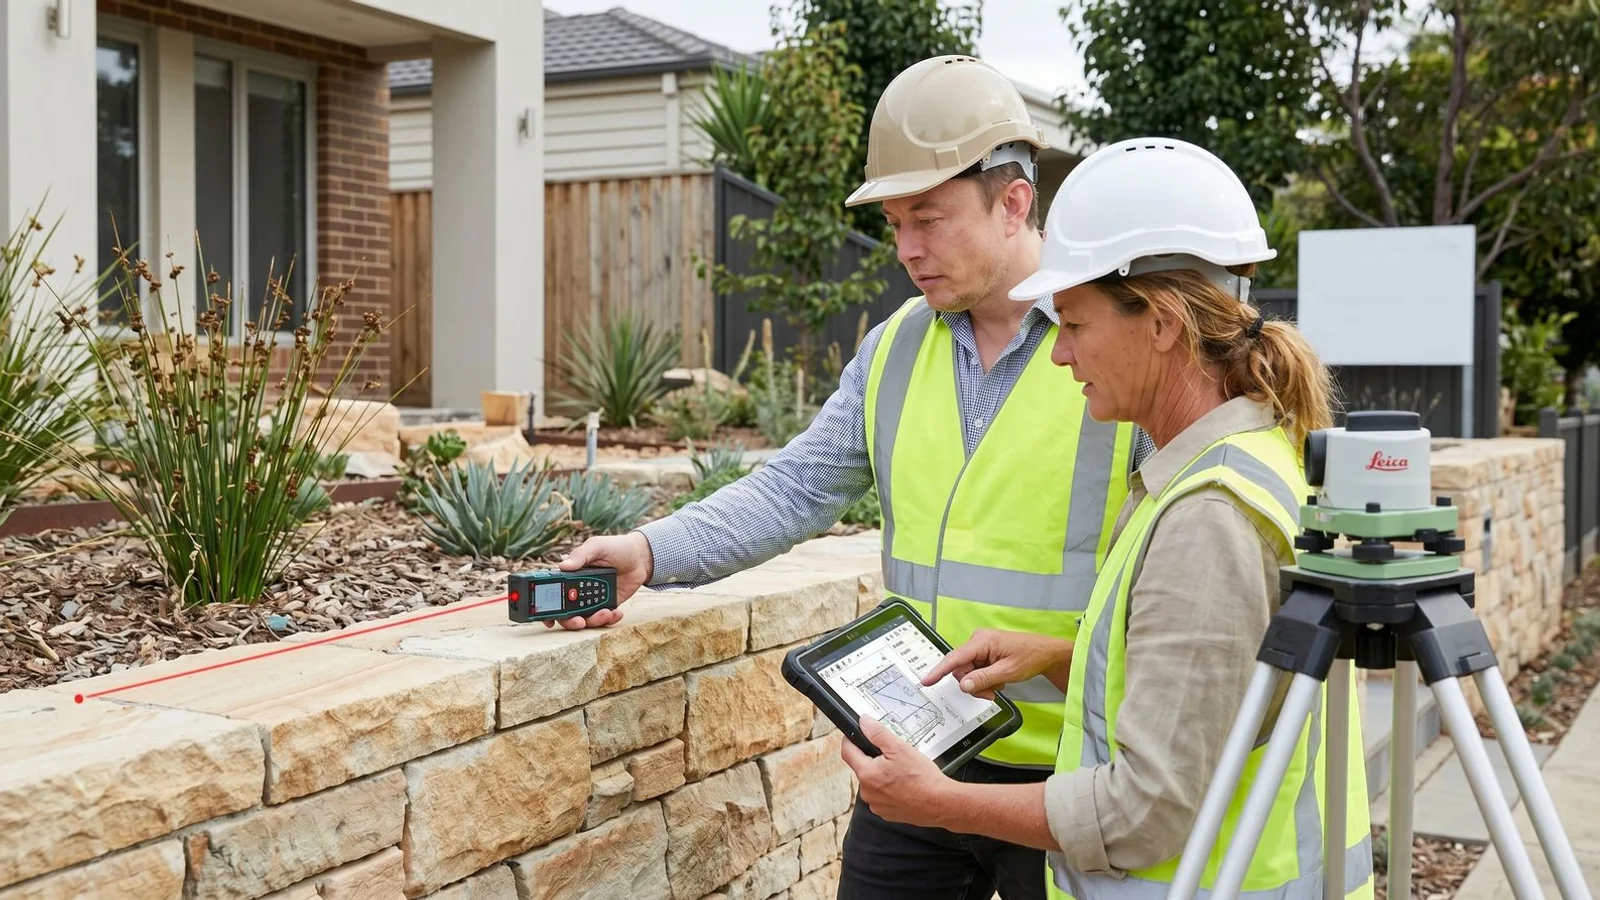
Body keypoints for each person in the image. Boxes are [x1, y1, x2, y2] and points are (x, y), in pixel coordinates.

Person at [557, 56, 1153, 900]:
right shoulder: (897, 349)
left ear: (1014, 200)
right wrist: (650, 551)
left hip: (1065, 773)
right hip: (918, 752)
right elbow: (794, 489)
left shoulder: (1114, 340)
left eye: (931, 219)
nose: (907, 249)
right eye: (895, 223)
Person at [836, 136, 1376, 900]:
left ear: (1160, 323)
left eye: (1077, 325)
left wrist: (935, 802)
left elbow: (1142, 813)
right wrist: (1059, 655)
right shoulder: (1231, 464)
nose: (1059, 355)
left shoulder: (1209, 518)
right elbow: (1209, 695)